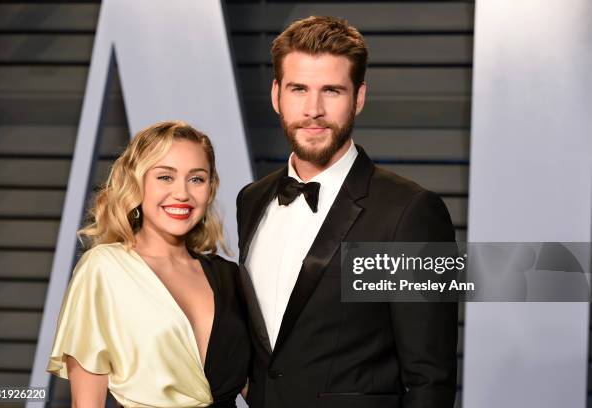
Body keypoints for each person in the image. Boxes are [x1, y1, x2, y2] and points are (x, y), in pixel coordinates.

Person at [236, 16, 458, 408]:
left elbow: (430, 378)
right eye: (298, 89)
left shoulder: (411, 212)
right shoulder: (251, 201)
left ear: (358, 97)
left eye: (332, 91)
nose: (313, 109)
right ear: (276, 95)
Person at [47, 121, 250, 407]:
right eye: (165, 177)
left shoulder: (229, 276)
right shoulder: (105, 270)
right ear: (137, 183)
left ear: (210, 188)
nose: (182, 193)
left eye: (196, 179)